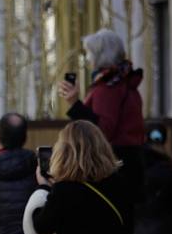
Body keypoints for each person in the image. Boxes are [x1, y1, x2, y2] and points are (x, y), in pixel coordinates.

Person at [57, 28, 146, 191]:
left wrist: (75, 104)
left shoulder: (108, 88)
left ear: (101, 55)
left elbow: (102, 131)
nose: (88, 58)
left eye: (90, 53)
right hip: (132, 161)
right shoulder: (123, 81)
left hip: (116, 164)